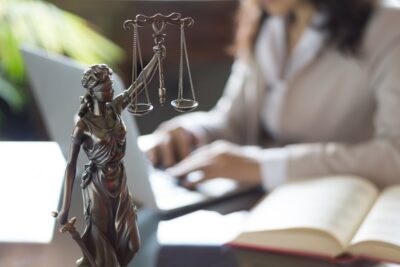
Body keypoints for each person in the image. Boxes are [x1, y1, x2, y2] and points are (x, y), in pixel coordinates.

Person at [145, 0, 400, 190]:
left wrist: (263, 166)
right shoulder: (269, 21)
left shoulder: (388, 27)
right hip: (260, 205)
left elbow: (394, 156)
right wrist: (191, 131)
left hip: (338, 211)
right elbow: (234, 121)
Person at [57, 46, 162, 267]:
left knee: (132, 245)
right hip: (98, 185)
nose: (112, 89)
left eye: (111, 85)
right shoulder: (83, 126)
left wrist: (156, 57)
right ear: (94, 90)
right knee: (104, 248)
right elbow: (70, 165)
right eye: (107, 87)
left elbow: (139, 84)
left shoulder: (115, 108)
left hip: (120, 180)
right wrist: (65, 209)